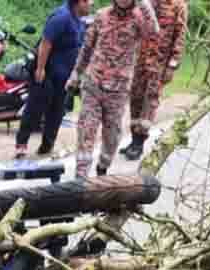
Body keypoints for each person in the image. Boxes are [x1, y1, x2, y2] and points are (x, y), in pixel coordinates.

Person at [67, 0, 158, 178]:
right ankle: (80, 178)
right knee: (86, 129)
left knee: (112, 136)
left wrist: (144, 4)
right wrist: (76, 74)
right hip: (93, 85)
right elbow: (87, 48)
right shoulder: (102, 16)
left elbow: (154, 31)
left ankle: (103, 168)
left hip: (118, 90)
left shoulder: (139, 19)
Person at [13, 0, 91, 159]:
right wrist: (40, 68)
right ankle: (21, 144)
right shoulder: (61, 17)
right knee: (35, 107)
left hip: (64, 77)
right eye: (88, 1)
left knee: (57, 111)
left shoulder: (79, 21)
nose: (92, 4)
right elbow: (46, 43)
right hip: (47, 72)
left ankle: (47, 145)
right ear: (79, 2)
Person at [120, 0, 187, 160]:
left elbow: (180, 36)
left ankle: (139, 143)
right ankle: (134, 138)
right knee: (135, 98)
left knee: (150, 100)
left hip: (160, 63)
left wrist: (172, 65)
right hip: (140, 59)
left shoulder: (178, 5)